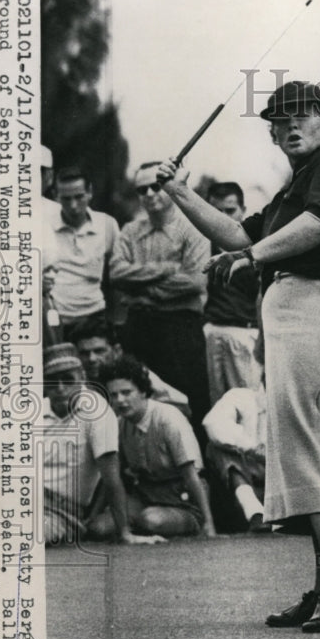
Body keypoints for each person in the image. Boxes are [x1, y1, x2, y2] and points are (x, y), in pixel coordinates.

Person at [156, 80, 320, 633]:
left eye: (301, 115)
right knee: (305, 449)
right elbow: (234, 231)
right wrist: (181, 193)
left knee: (314, 447)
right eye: (278, 120)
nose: (289, 125)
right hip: (303, 317)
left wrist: (253, 255)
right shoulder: (293, 187)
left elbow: (319, 224)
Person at [110, 161, 211, 442]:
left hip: (180, 329)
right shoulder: (130, 231)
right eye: (142, 189)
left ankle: (197, 473)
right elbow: (117, 273)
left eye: (157, 186)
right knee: (138, 401)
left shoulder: (193, 228)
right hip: (139, 328)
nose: (150, 194)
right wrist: (166, 270)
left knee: (189, 402)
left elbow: (194, 281)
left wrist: (140, 290)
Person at [41, 343, 162, 545]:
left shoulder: (98, 413)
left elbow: (111, 477)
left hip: (60, 513)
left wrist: (124, 532)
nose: (60, 388)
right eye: (53, 382)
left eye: (68, 380)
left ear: (82, 378)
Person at [95, 355, 216, 539]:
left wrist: (209, 524)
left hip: (181, 501)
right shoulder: (119, 425)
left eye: (127, 392)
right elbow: (111, 477)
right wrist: (92, 515)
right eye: (113, 395)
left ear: (143, 392)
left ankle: (189, 524)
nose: (120, 400)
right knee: (99, 527)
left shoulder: (168, 418)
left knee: (151, 520)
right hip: (144, 496)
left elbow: (192, 475)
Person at [203, 181, 264, 404]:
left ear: (243, 211)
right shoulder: (201, 245)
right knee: (217, 406)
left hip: (245, 332)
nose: (223, 217)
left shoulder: (257, 247)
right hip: (212, 330)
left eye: (230, 211)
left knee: (248, 404)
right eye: (216, 211)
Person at [50, 165, 120, 341]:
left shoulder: (107, 224)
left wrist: (116, 323)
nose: (73, 206)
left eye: (79, 197)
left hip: (95, 317)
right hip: (55, 320)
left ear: (90, 192)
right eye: (66, 199)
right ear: (56, 196)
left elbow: (117, 277)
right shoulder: (44, 226)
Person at [72, 321, 190, 416]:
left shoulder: (133, 373)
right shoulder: (76, 382)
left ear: (117, 351)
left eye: (99, 351)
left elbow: (181, 406)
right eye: (84, 353)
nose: (91, 359)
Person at [203, 383, 271, 533]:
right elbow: (213, 423)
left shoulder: (298, 404)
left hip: (285, 485)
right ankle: (255, 513)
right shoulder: (241, 397)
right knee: (215, 448)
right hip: (249, 483)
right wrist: (254, 448)